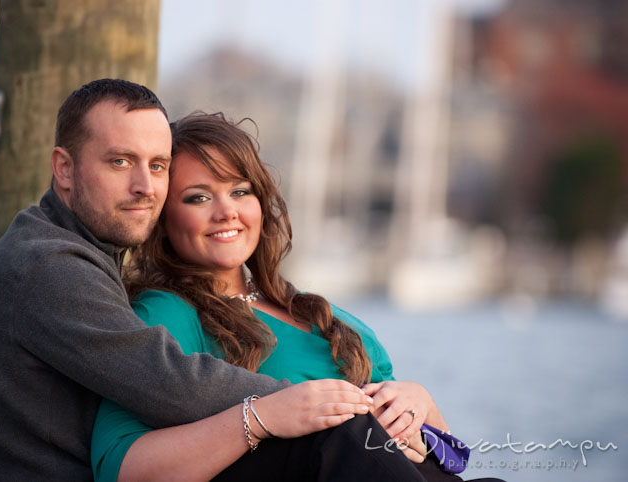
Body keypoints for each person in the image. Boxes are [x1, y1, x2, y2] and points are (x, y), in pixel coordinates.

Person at [0, 80, 382, 481]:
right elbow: (172, 384)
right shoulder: (49, 267)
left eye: (157, 166)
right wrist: (306, 404)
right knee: (337, 440)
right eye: (120, 162)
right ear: (64, 169)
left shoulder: (69, 250)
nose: (144, 187)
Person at [92, 112, 504, 482]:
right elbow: (118, 466)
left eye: (240, 191)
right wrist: (262, 417)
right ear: (164, 219)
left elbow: (447, 461)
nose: (226, 211)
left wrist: (422, 406)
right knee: (344, 432)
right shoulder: (167, 313)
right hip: (308, 462)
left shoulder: (315, 310)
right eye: (198, 197)